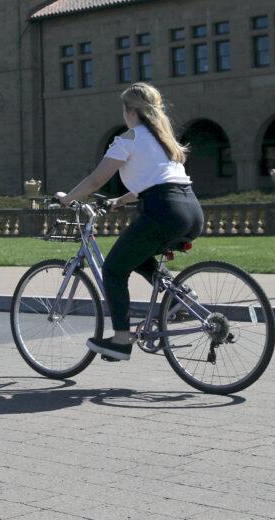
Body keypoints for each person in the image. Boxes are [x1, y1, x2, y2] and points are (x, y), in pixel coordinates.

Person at [56, 82, 204, 361]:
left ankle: (121, 340)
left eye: (123, 109)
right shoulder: (164, 140)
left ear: (131, 111)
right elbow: (157, 182)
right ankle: (181, 298)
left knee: (112, 269)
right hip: (191, 211)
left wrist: (68, 199)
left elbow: (97, 179)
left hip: (163, 211)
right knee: (137, 256)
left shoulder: (128, 139)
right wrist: (119, 201)